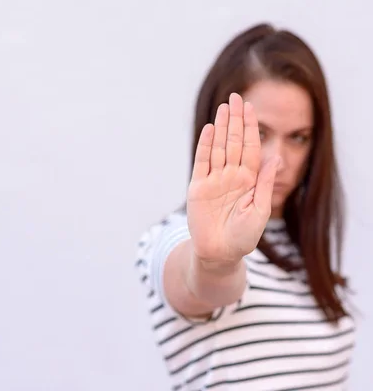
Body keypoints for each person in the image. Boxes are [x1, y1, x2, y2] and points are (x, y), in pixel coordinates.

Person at [135, 23, 355, 390]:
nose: (278, 161)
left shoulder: (300, 250)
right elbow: (199, 282)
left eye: (299, 138)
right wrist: (216, 261)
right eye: (260, 133)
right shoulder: (180, 237)